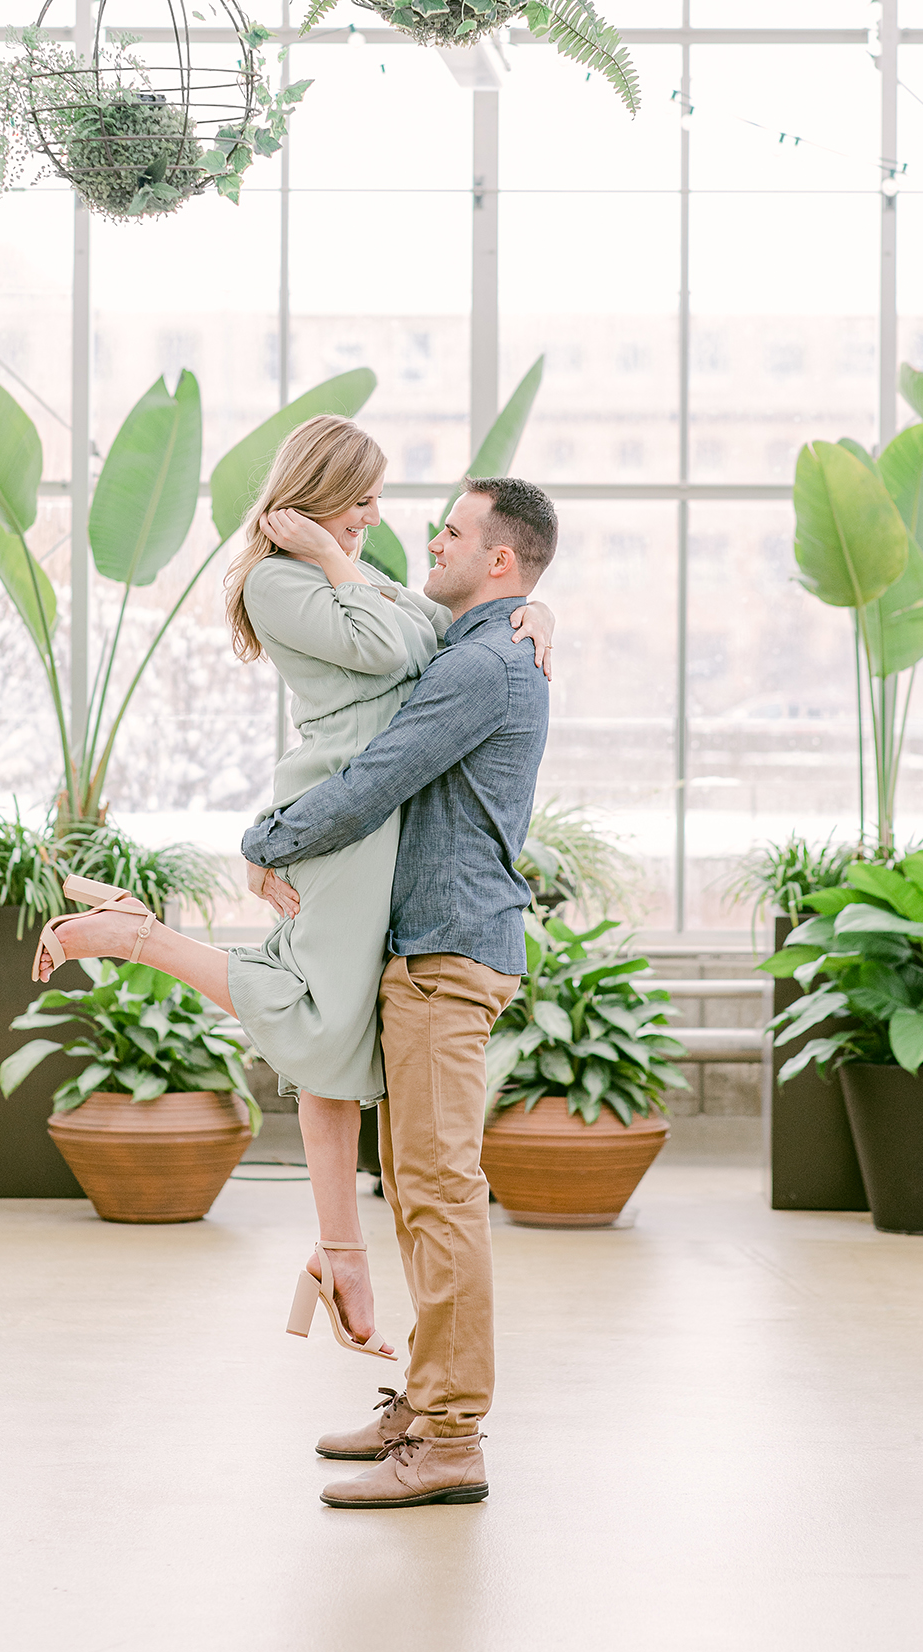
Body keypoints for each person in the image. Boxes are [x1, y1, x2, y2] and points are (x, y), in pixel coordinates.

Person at [33, 419, 553, 1364]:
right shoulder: (280, 580)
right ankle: (135, 936)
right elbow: (398, 650)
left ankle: (339, 1255)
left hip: (367, 816)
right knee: (323, 1023)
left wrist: (537, 611)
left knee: (339, 1041)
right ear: (314, 497)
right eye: (360, 501)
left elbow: (441, 627)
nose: (376, 520)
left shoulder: (353, 572)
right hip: (338, 811)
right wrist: (321, 553)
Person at [241, 474, 557, 1510]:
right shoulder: (485, 641)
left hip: (443, 955)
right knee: (424, 1192)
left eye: (454, 532)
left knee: (438, 1194)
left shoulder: (489, 663)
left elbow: (381, 772)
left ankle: (451, 1439)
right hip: (429, 952)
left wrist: (265, 839)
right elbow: (403, 627)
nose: (432, 537)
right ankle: (423, 1409)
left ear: (500, 561)